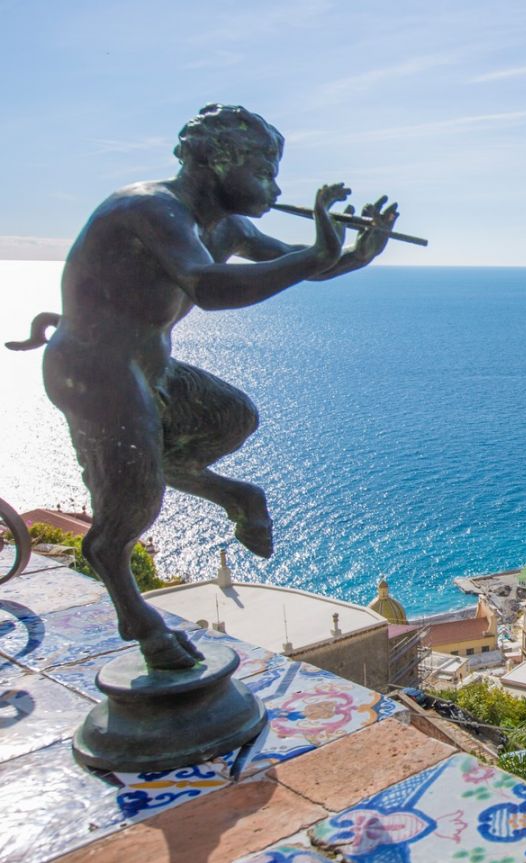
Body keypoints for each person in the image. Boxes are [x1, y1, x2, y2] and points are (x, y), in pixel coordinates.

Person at [11, 104, 398, 669]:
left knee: (230, 417)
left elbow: (298, 263)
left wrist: (354, 256)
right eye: (265, 169)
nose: (275, 185)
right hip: (97, 370)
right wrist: (320, 250)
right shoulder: (151, 209)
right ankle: (136, 613)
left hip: (147, 365)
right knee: (129, 510)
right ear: (218, 159)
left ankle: (220, 490)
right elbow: (210, 287)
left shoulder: (229, 225)